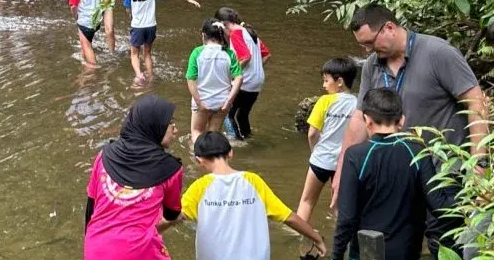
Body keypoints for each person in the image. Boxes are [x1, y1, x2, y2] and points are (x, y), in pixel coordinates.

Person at [333, 4, 487, 258]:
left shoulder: (438, 53)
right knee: (406, 244)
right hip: (403, 178)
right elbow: (360, 118)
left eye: (370, 43)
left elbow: (475, 101)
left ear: (390, 28)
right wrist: (341, 172)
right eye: (364, 46)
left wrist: (478, 163)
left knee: (445, 245)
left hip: (443, 173)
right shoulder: (373, 65)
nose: (368, 51)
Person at [333, 89, 459, 260]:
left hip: (366, 251)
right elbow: (439, 206)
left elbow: (346, 219)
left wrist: (337, 255)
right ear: (401, 121)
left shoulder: (355, 156)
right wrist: (475, 197)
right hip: (406, 251)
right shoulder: (417, 152)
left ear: (367, 121)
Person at [177, 132, 326, 260]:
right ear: (230, 153)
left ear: (198, 160)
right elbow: (289, 217)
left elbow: (172, 218)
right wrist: (316, 238)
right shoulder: (253, 181)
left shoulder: (199, 188)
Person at [84, 95, 183, 260]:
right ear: (155, 126)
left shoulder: (103, 155)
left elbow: (91, 208)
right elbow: (172, 214)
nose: (175, 130)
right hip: (138, 250)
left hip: (95, 247)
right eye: (170, 123)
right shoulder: (171, 169)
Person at [296, 58, 358, 229]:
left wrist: (314, 151)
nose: (324, 85)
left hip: (321, 160)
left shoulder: (324, 101)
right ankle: (340, 244)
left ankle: (301, 240)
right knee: (339, 206)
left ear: (339, 81)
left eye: (326, 80)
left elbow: (312, 133)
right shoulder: (357, 103)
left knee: (307, 201)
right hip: (344, 163)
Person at [123, 0, 200, 84]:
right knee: (147, 54)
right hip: (151, 27)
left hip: (137, 27)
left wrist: (131, 16)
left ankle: (139, 76)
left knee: (134, 54)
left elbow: (128, 10)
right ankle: (151, 77)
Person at [214, 7, 271, 141]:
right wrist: (256, 69)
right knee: (242, 115)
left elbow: (245, 57)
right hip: (257, 81)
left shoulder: (235, 34)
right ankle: (248, 138)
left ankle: (237, 142)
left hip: (245, 82)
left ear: (224, 24)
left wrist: (231, 74)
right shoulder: (251, 33)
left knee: (227, 114)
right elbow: (267, 55)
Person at [187, 19, 243, 143]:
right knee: (214, 135)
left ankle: (197, 160)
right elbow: (239, 78)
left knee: (197, 132)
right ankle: (213, 158)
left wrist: (199, 103)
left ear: (203, 35)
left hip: (203, 100)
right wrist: (229, 101)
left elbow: (190, 80)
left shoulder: (197, 52)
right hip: (222, 102)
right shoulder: (230, 54)